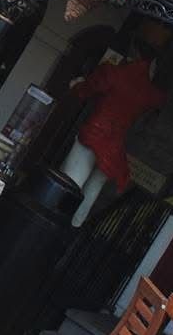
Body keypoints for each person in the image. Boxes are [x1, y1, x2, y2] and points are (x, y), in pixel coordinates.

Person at [58, 31, 167, 227]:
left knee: (67, 185)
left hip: (94, 135)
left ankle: (48, 226)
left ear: (134, 51)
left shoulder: (114, 72)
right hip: (114, 147)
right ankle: (69, 230)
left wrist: (77, 84)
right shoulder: (151, 93)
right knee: (88, 197)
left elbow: (85, 90)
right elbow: (155, 102)